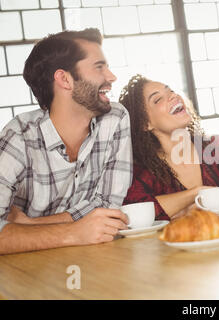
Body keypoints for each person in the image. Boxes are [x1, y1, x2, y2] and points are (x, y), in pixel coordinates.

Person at [0, 28, 133, 255]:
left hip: (94, 260)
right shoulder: (20, 137)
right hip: (25, 271)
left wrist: (28, 225)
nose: (111, 77)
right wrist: (74, 232)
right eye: (99, 67)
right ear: (64, 79)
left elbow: (108, 209)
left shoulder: (115, 117)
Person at [119, 75, 219, 221]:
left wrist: (201, 204)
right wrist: (195, 193)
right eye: (157, 99)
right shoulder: (142, 171)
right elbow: (136, 213)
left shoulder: (217, 147)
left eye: (170, 91)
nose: (173, 96)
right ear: (145, 124)